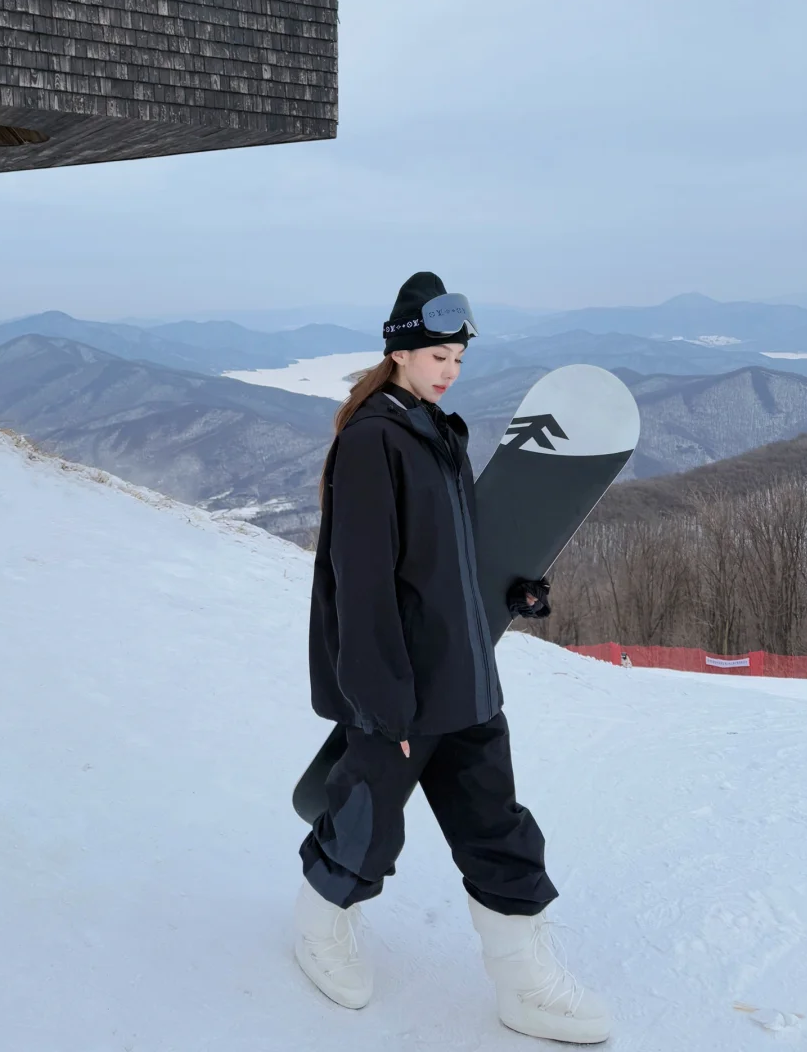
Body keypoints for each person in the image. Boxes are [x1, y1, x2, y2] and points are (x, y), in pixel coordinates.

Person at [293, 272, 611, 1045]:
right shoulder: (374, 442)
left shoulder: (439, 433)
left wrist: (514, 589)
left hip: (467, 679)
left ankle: (522, 979)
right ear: (400, 354)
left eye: (458, 360)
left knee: (496, 826)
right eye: (437, 355)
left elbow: (456, 555)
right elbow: (362, 584)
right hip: (399, 692)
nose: (448, 371)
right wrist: (382, 705)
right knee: (365, 828)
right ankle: (319, 927)